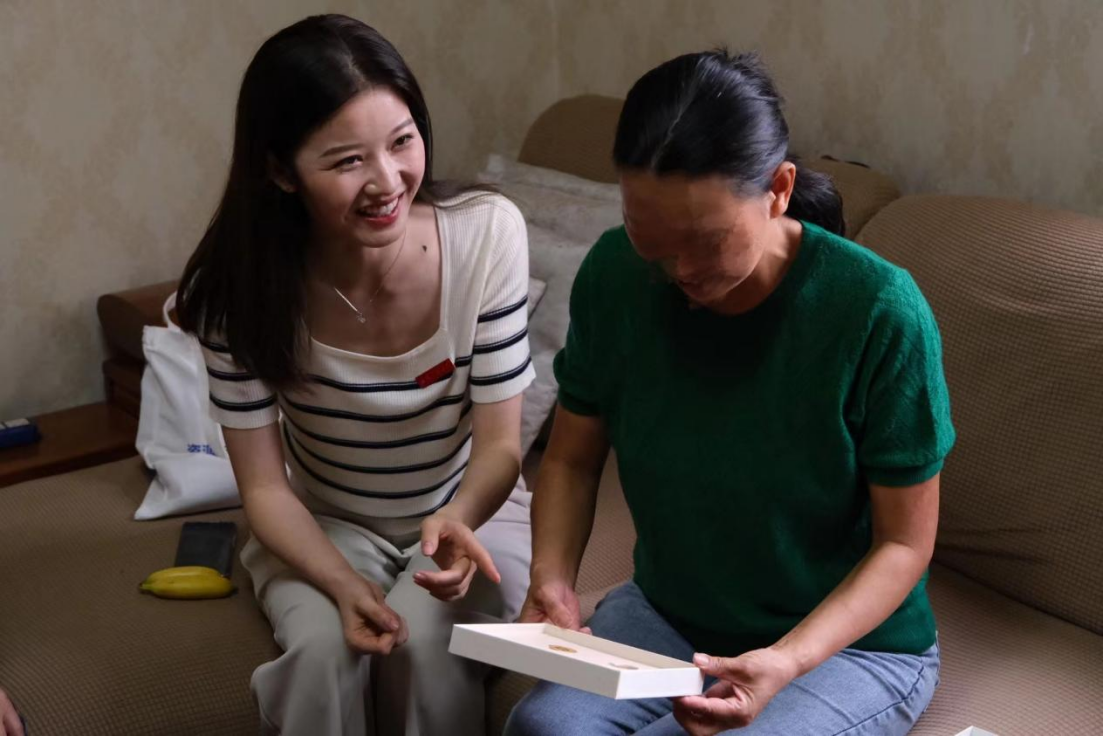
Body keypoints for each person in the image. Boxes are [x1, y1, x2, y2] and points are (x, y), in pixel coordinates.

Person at [506, 49, 954, 736]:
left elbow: (904, 546)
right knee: (545, 728)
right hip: (670, 613)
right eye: (650, 239)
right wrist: (553, 575)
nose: (678, 270)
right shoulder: (614, 275)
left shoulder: (878, 312)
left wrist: (786, 659)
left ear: (778, 189)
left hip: (849, 646)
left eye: (705, 241)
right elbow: (569, 459)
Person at [176, 14, 534, 736]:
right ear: (281, 172)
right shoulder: (238, 289)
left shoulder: (486, 234)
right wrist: (342, 584)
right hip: (323, 523)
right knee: (323, 655)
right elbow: (264, 488)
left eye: (402, 141)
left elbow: (500, 445)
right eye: (346, 162)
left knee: (425, 646)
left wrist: (459, 518)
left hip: (473, 509)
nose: (387, 181)